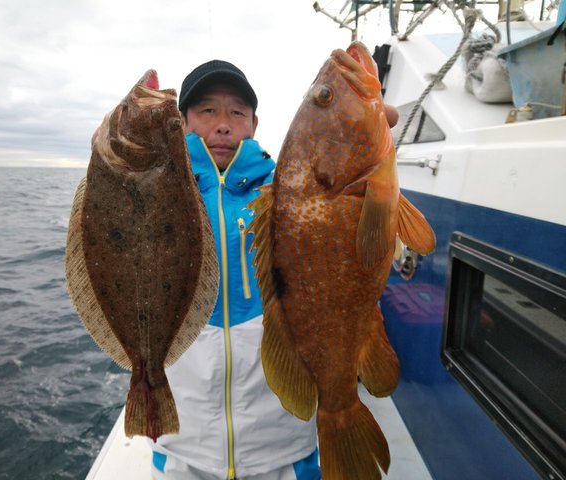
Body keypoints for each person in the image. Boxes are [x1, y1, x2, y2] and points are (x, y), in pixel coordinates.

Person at [150, 59, 398, 480]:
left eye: (236, 112)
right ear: (182, 122)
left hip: (281, 444)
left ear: (254, 123)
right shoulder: (157, 190)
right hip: (182, 447)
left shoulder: (287, 188)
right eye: (207, 111)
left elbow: (358, 219)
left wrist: (369, 127)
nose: (223, 125)